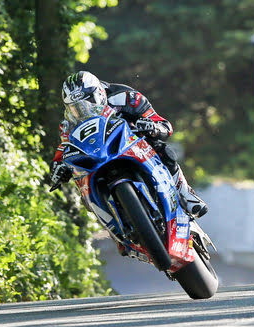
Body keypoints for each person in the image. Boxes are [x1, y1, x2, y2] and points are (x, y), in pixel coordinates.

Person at [49, 71, 208, 220]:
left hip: (132, 145)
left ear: (99, 93)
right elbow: (64, 148)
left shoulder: (126, 96)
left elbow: (162, 123)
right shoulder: (68, 124)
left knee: (162, 148)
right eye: (76, 108)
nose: (84, 110)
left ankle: (186, 194)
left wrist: (153, 128)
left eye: (89, 102)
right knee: (82, 187)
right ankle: (116, 229)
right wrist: (58, 166)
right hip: (98, 160)